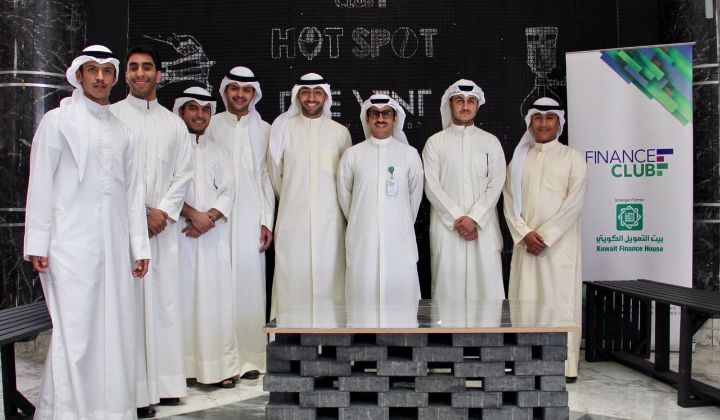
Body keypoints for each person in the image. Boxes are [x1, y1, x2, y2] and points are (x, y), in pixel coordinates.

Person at [24, 45, 150, 419]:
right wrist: (37, 241)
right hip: (69, 247)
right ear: (78, 75)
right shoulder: (57, 122)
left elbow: (133, 194)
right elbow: (41, 182)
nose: (100, 77)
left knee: (114, 332)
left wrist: (139, 246)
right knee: (74, 333)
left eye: (107, 71)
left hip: (114, 249)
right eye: (92, 70)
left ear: (114, 78)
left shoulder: (124, 132)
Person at [110, 45, 193, 415]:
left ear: (160, 74)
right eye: (133, 67)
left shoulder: (174, 124)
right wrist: (140, 215)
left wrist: (161, 213)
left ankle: (165, 384)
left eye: (147, 67)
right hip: (121, 231)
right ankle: (133, 391)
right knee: (127, 308)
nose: (140, 73)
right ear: (125, 74)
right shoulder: (111, 116)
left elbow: (183, 174)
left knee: (163, 305)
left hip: (163, 229)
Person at [503, 97, 588, 381]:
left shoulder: (573, 158)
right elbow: (509, 202)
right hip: (525, 246)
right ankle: (524, 363)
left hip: (559, 249)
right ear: (530, 122)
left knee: (559, 304)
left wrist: (546, 236)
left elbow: (574, 204)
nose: (543, 124)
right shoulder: (518, 160)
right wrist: (524, 234)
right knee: (524, 304)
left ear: (559, 123)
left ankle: (563, 366)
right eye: (538, 118)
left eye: (549, 118)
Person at [205, 67, 273, 380]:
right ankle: (217, 360)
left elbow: (266, 178)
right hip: (215, 219)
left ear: (254, 94)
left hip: (249, 220)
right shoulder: (211, 124)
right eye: (234, 89)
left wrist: (266, 220)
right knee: (215, 288)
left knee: (249, 287)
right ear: (225, 91)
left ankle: (249, 358)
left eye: (246, 90)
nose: (240, 95)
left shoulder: (266, 129)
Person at [268, 73, 352, 322]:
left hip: (331, 224)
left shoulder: (340, 133)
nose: (311, 98)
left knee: (331, 279)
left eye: (317, 92)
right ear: (297, 96)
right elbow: (275, 176)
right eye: (306, 92)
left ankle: (331, 337)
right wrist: (294, 202)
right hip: (293, 221)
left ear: (326, 97)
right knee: (292, 280)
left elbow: (347, 182)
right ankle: (289, 336)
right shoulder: (283, 130)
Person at [337, 94, 424, 323]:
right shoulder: (352, 155)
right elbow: (345, 198)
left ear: (395, 118)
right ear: (367, 119)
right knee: (363, 296)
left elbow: (414, 198)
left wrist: (398, 222)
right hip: (363, 240)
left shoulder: (409, 155)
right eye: (374, 114)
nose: (380, 118)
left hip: (399, 240)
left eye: (386, 113)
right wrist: (363, 221)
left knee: (400, 297)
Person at [173, 87, 238, 388]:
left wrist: (207, 218)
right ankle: (181, 370)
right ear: (181, 111)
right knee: (181, 301)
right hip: (179, 236)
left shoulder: (220, 152)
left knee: (216, 302)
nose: (199, 115)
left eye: (205, 110)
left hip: (212, 237)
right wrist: (192, 215)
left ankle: (219, 368)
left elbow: (229, 191)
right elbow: (165, 190)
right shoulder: (172, 150)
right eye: (193, 108)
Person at [423, 79, 506, 301]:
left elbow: (497, 183)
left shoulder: (491, 142)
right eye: (460, 100)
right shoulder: (435, 143)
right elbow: (431, 185)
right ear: (450, 104)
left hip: (483, 228)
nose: (466, 106)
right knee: (449, 289)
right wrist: (458, 219)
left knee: (486, 290)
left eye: (471, 101)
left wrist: (475, 217)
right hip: (448, 229)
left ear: (478, 105)